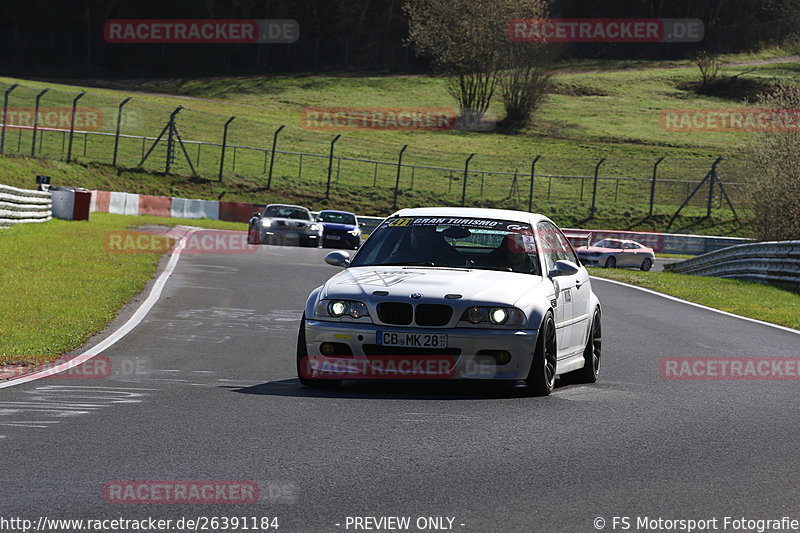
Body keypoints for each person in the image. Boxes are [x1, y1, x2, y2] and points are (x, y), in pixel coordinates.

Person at [386, 225, 467, 266]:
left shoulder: (447, 261)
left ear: (432, 237)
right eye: (414, 233)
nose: (417, 237)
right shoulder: (395, 260)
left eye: (422, 234)